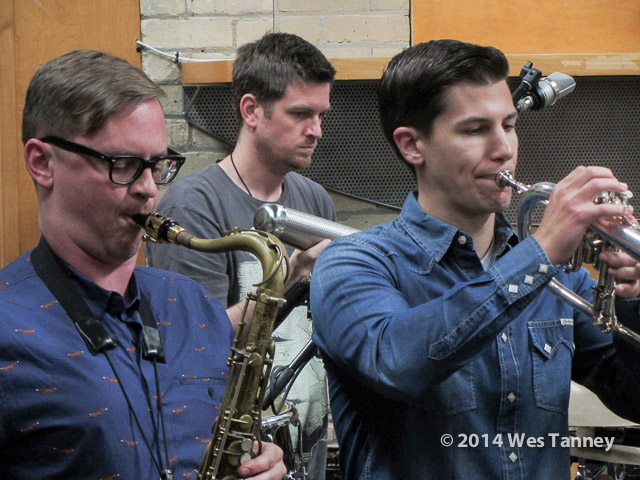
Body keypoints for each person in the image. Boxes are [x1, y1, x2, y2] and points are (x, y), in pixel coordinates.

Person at [309, 39, 640, 479]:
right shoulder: (353, 263)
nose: (504, 149)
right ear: (412, 145)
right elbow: (396, 363)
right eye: (475, 130)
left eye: (509, 125)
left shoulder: (562, 277)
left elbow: (633, 398)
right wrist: (539, 254)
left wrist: (632, 299)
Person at [0, 49, 286, 480]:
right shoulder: (7, 322)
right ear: (42, 162)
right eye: (124, 164)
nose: (150, 189)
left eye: (157, 165)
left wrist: (263, 463)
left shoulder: (192, 304)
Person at [147, 32, 337, 478]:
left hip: (305, 446)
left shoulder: (314, 198)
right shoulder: (194, 207)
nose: (316, 130)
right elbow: (193, 347)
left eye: (320, 115)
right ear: (251, 110)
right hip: (236, 454)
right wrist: (292, 275)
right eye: (300, 114)